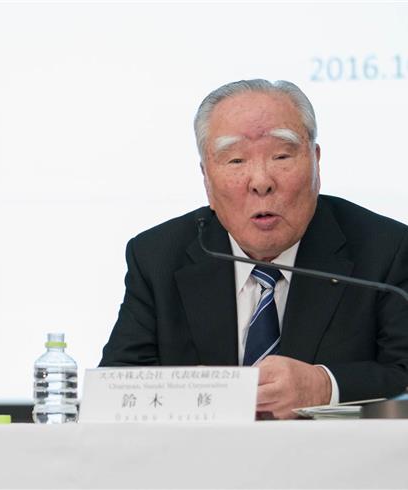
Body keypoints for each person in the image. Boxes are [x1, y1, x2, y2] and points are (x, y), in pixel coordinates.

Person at [100, 79, 408, 419]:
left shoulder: (386, 251)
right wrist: (189, 391)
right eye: (235, 161)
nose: (261, 181)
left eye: (281, 155)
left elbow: (403, 371)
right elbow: (117, 388)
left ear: (316, 163)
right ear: (206, 179)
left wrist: (324, 386)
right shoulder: (158, 257)